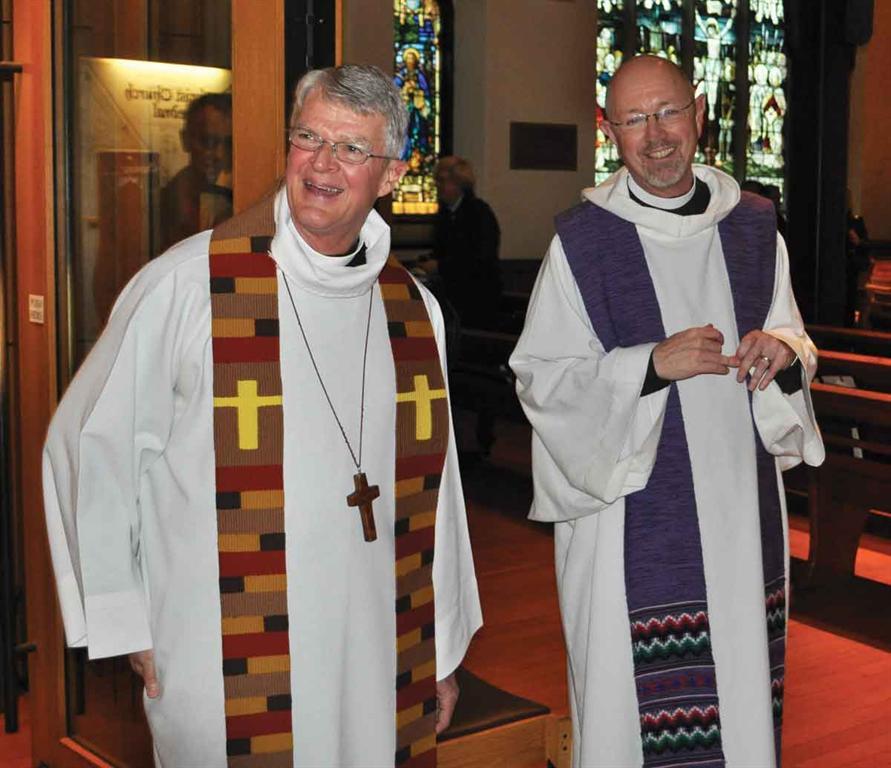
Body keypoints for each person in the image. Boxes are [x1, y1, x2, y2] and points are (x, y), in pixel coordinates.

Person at [43, 64, 482, 768]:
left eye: (350, 148)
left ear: (392, 173)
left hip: (378, 647)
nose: (320, 163)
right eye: (307, 136)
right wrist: (127, 622)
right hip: (219, 651)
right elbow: (86, 446)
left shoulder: (412, 310)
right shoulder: (190, 286)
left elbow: (440, 498)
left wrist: (440, 648)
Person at [510, 55, 824, 768]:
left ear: (699, 113)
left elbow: (795, 336)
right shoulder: (580, 244)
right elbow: (542, 380)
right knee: (631, 720)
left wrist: (780, 351)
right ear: (607, 130)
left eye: (668, 113)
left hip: (740, 514)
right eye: (633, 119)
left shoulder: (752, 229)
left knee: (741, 709)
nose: (655, 136)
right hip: (627, 520)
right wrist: (648, 366)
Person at [432, 156, 501, 328]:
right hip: (451, 296)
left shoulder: (479, 213)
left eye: (441, 181)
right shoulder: (445, 214)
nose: (437, 186)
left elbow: (481, 259)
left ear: (458, 184)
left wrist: (440, 266)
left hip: (477, 298)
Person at [159, 92, 234, 252]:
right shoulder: (162, 204)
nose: (219, 154)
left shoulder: (235, 201)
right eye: (207, 142)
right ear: (185, 140)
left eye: (228, 144)